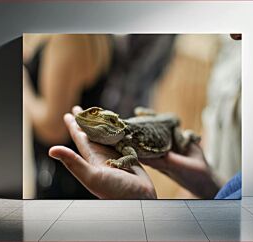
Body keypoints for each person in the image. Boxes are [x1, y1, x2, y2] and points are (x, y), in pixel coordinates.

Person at [48, 34, 242, 199]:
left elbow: (131, 156)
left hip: (167, 126)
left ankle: (187, 137)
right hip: (159, 126)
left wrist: (118, 163)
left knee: (181, 143)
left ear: (113, 122)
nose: (233, 34)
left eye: (95, 114)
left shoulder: (125, 142)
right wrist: (207, 184)